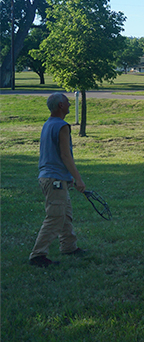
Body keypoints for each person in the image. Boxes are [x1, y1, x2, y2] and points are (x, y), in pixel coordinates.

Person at [29, 92, 86, 267]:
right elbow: (65, 155)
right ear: (61, 105)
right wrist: (78, 179)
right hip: (54, 179)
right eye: (68, 102)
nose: (70, 104)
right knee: (55, 217)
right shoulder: (62, 126)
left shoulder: (48, 124)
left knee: (65, 214)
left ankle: (69, 246)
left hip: (51, 177)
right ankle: (38, 255)